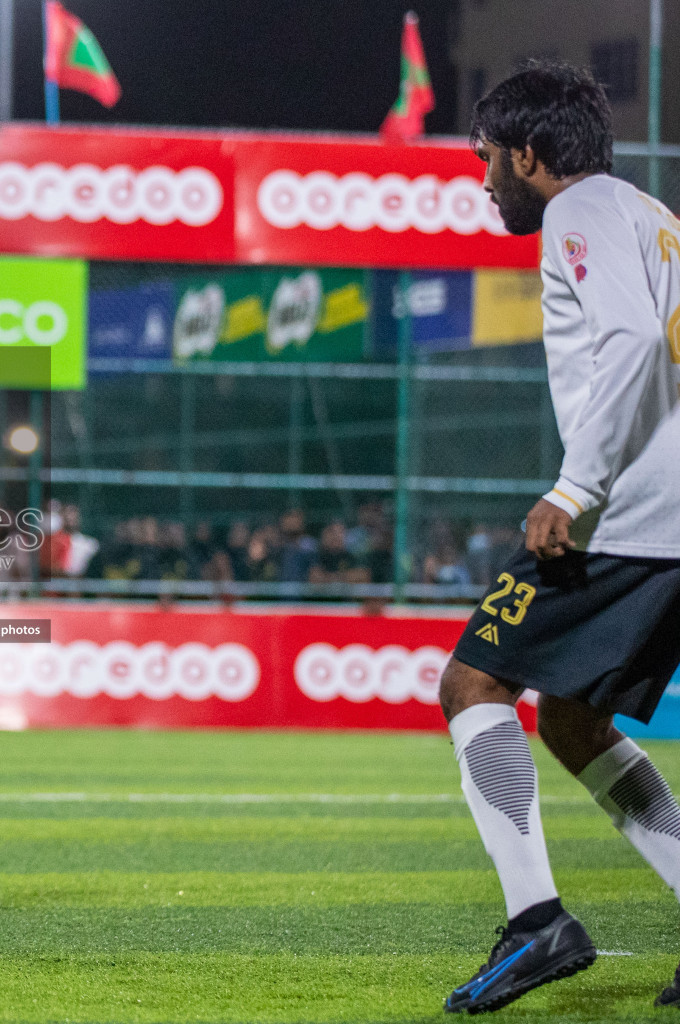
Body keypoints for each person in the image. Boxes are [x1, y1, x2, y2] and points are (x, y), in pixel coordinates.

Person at [439, 61, 680, 1013]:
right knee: (575, 719)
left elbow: (626, 342)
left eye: (490, 157)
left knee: (472, 683)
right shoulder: (652, 216)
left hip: (628, 515)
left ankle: (537, 921)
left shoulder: (578, 213)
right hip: (668, 514)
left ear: (530, 155)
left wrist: (574, 487)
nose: (485, 177)